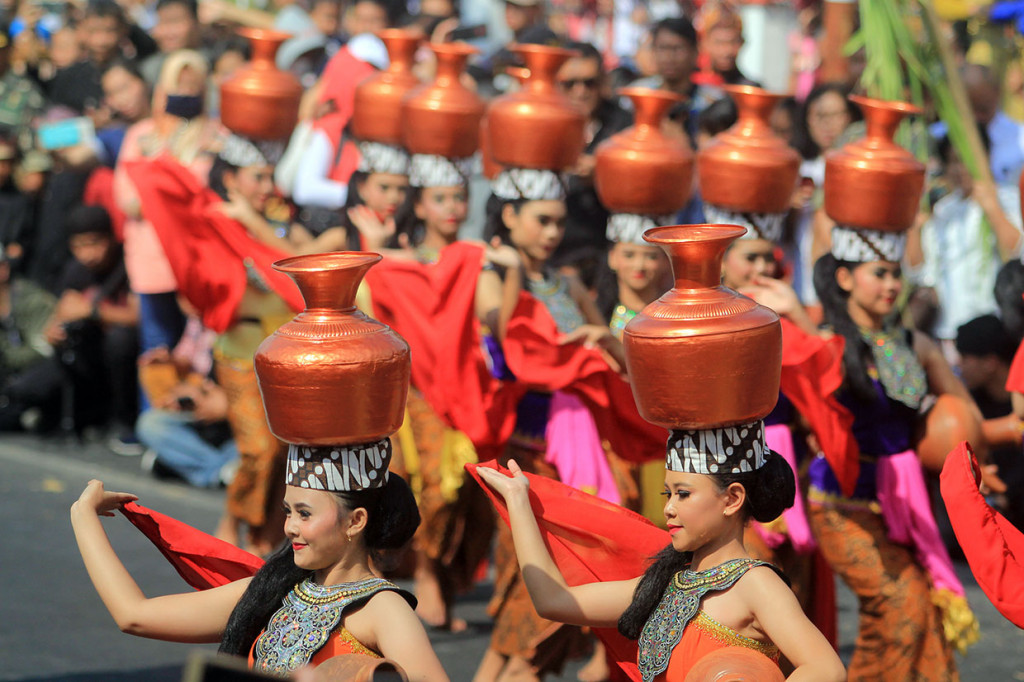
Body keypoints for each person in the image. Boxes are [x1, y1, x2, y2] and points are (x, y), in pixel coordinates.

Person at [476, 343, 845, 682]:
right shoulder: (666, 584)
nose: (668, 508)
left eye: (683, 494)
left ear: (732, 499)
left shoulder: (756, 585)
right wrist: (519, 501)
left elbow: (825, 669)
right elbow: (553, 601)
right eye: (667, 493)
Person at [70, 435, 450, 680]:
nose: (289, 528)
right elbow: (134, 616)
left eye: (304, 514)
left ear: (355, 521)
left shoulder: (384, 609)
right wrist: (83, 516)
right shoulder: (273, 589)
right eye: (288, 512)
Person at [811, 226, 979, 678]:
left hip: (905, 504)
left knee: (925, 613)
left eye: (896, 275)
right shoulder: (827, 342)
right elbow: (810, 396)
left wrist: (986, 451)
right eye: (879, 273)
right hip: (840, 505)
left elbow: (964, 414)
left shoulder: (917, 344)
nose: (891, 285)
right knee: (901, 603)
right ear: (845, 279)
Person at [907, 130, 1023, 357]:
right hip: (948, 332)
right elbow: (920, 273)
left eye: (965, 161)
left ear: (984, 157)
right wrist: (912, 225)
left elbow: (1018, 252)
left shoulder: (1008, 199)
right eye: (951, 162)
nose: (959, 170)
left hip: (993, 328)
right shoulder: (942, 210)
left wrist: (992, 209)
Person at [45, 204, 139, 443]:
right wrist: (53, 330)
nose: (87, 253)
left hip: (126, 354)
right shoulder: (76, 270)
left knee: (120, 340)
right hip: (92, 352)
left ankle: (126, 421)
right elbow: (63, 310)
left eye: (94, 243)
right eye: (79, 246)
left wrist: (92, 310)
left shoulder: (129, 262)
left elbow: (136, 317)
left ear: (110, 237)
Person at [554, 40, 632, 284]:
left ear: (603, 83)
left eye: (589, 82)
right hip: (553, 253)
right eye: (570, 84)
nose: (581, 91)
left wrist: (604, 174)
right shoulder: (543, 123)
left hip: (607, 256)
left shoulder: (625, 125)